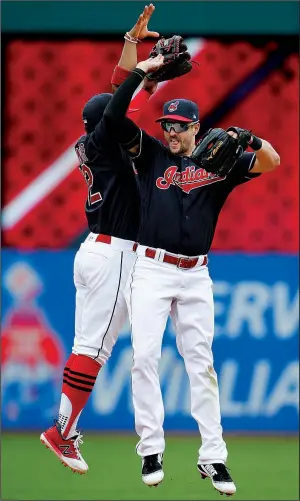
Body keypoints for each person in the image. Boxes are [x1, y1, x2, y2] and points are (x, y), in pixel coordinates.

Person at [102, 55, 280, 494]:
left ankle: (213, 458)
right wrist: (143, 71)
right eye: (168, 125)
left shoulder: (219, 167)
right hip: (152, 269)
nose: (172, 132)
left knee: (202, 364)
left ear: (196, 128)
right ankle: (150, 449)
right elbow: (111, 117)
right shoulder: (150, 156)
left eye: (180, 126)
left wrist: (249, 139)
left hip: (195, 275)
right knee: (144, 357)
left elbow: (273, 162)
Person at [39, 6, 160, 475]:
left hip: (99, 248)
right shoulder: (107, 137)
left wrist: (133, 45)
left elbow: (118, 97)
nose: (126, 116)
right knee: (93, 348)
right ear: (106, 121)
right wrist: (145, 68)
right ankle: (62, 432)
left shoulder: (96, 139)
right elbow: (118, 101)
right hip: (114, 253)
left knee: (87, 344)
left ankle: (64, 428)